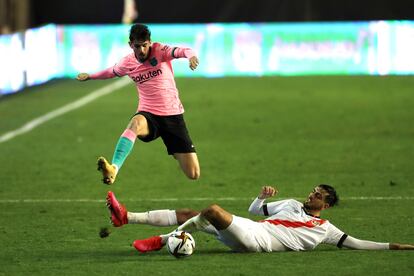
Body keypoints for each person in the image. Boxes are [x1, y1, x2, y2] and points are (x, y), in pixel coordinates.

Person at [106, 185, 414, 253]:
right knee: (193, 214)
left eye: (318, 195)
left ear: (327, 205)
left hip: (261, 242)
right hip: (252, 228)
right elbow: (256, 211)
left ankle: (162, 241)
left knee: (211, 210)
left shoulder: (325, 229)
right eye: (313, 191)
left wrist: (399, 246)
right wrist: (263, 197)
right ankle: (127, 217)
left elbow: (358, 244)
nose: (311, 195)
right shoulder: (291, 204)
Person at [76, 23, 200, 185]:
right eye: (137, 46)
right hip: (149, 114)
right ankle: (114, 168)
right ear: (130, 45)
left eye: (144, 46)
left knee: (193, 174)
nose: (141, 50)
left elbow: (183, 50)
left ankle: (176, 150)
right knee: (134, 124)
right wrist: (91, 76)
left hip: (172, 116)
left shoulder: (160, 50)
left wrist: (191, 56)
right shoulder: (127, 63)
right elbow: (111, 72)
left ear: (150, 42)